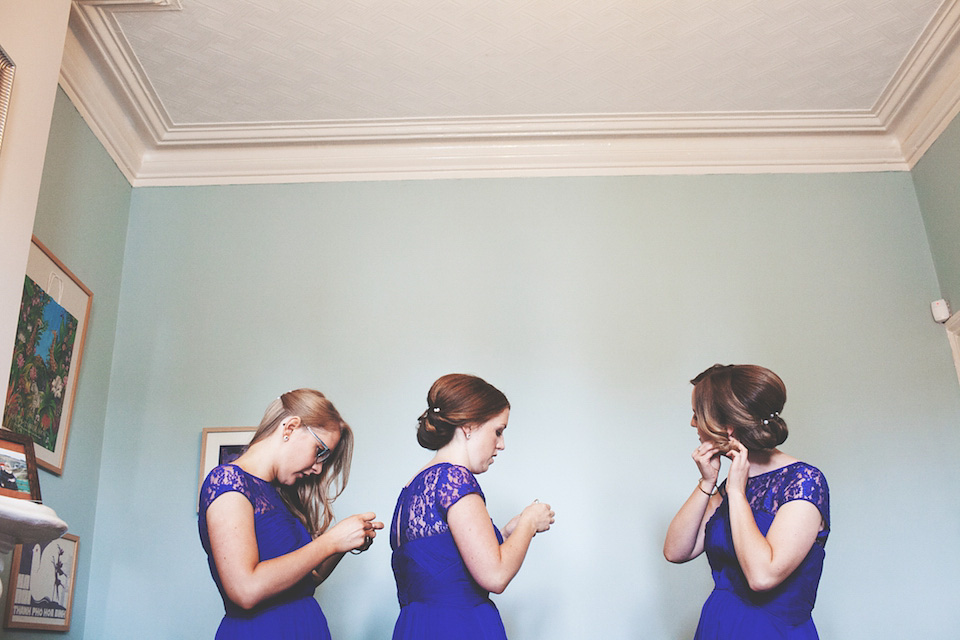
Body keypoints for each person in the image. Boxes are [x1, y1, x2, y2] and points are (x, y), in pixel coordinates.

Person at [198, 389, 384, 639]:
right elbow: (245, 590)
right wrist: (329, 542)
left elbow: (307, 580)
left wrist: (341, 545)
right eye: (319, 451)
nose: (318, 468)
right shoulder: (228, 481)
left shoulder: (280, 493)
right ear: (290, 428)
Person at [663, 364, 830, 639]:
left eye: (697, 414)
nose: (693, 424)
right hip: (716, 626)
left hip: (770, 632)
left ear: (728, 427)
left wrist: (738, 493)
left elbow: (762, 577)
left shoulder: (804, 481)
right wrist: (706, 483)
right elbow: (676, 551)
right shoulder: (728, 484)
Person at [390, 373, 555, 640]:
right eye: (498, 431)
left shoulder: (413, 486)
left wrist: (504, 533)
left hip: (415, 627)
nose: (501, 444)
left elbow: (445, 561)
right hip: (457, 626)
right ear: (468, 427)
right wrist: (529, 523)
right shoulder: (454, 479)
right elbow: (495, 575)